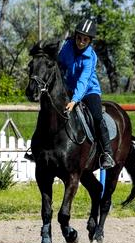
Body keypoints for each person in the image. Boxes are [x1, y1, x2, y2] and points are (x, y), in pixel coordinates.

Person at [25, 19, 116, 169]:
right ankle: (37, 148)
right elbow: (57, 66)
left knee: (97, 116)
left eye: (85, 39)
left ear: (90, 41)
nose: (80, 42)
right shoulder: (66, 47)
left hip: (88, 91)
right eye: (79, 38)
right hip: (67, 88)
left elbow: (83, 81)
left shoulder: (90, 57)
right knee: (49, 110)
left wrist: (74, 100)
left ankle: (106, 153)